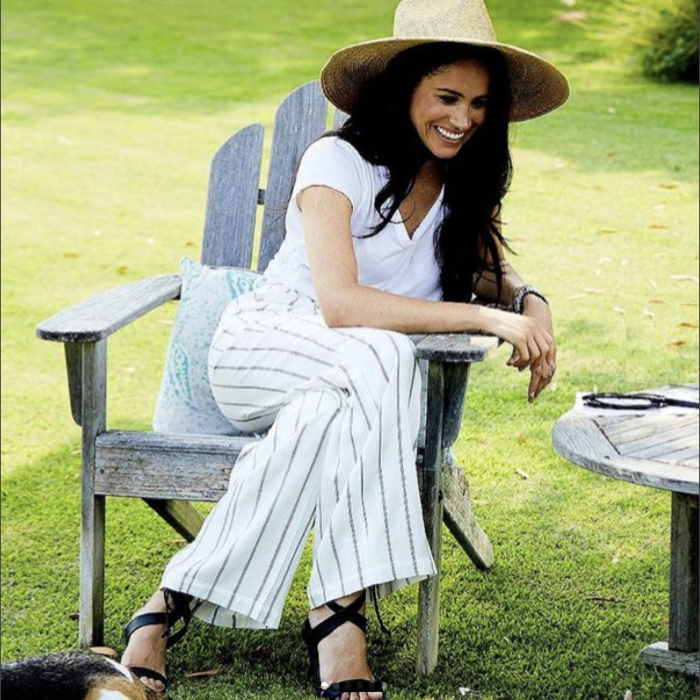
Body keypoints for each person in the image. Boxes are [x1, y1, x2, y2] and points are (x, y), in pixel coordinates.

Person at [120, 0, 569, 698]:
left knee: (321, 420)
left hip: (345, 389)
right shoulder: (336, 160)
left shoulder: (459, 184)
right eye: (447, 97)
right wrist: (492, 325)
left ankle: (164, 606)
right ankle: (340, 614)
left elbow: (493, 272)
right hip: (264, 348)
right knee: (385, 354)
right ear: (405, 89)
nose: (464, 117)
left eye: (480, 103)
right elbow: (342, 305)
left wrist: (528, 301)